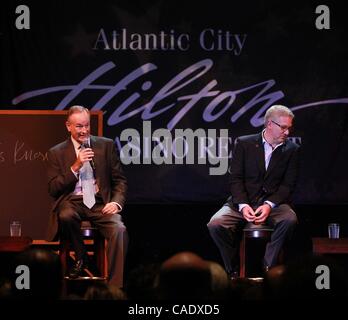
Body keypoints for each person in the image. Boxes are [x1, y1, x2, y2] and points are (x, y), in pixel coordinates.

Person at [207, 105, 299, 278]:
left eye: (289, 128)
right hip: (241, 202)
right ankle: (232, 268)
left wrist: (268, 205)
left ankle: (268, 267)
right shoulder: (244, 143)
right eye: (284, 127)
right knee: (216, 224)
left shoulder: (292, 150)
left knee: (289, 219)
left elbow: (288, 185)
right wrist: (242, 205)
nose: (287, 132)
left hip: (274, 204)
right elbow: (235, 179)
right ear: (269, 124)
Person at [46, 105, 128, 288]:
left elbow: (120, 180)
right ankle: (82, 256)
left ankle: (115, 288)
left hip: (99, 203)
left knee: (119, 230)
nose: (84, 131)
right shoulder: (56, 152)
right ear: (68, 126)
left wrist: (116, 202)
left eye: (86, 126)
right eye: (78, 126)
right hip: (71, 202)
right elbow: (53, 189)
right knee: (65, 215)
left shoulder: (106, 145)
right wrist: (75, 166)